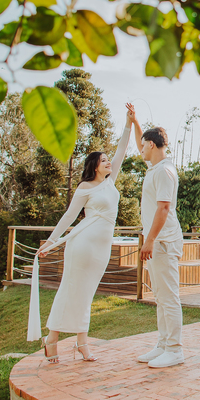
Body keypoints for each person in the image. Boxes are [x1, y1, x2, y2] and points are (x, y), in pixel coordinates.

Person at [31, 103, 135, 363]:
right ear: (94, 166)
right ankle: (54, 339)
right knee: (70, 289)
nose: (108, 161)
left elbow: (121, 151)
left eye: (107, 159)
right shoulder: (85, 188)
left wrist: (128, 124)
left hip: (101, 248)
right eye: (103, 160)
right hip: (82, 245)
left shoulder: (110, 182)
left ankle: (80, 342)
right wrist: (52, 243)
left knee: (87, 293)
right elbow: (69, 217)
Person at [132, 107, 185, 368]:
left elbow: (163, 208)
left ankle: (175, 349)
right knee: (161, 297)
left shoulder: (164, 171)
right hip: (157, 241)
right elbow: (142, 142)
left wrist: (149, 240)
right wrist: (135, 123)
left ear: (152, 145)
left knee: (168, 297)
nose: (140, 150)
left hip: (163, 242)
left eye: (143, 147)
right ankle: (163, 345)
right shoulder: (156, 167)